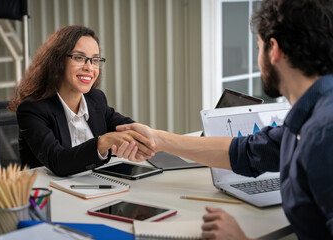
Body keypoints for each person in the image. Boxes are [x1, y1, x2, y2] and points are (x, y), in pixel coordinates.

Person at [115, 0, 333, 239]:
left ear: (275, 49)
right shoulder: (308, 119)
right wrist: (156, 139)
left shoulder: (324, 132)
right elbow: (247, 152)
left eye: (258, 47)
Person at [9, 25, 153, 177]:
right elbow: (58, 162)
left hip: (97, 188)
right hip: (48, 194)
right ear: (57, 61)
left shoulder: (96, 100)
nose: (89, 67)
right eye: (79, 57)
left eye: (95, 60)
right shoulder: (33, 109)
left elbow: (126, 128)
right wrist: (105, 141)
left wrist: (142, 139)